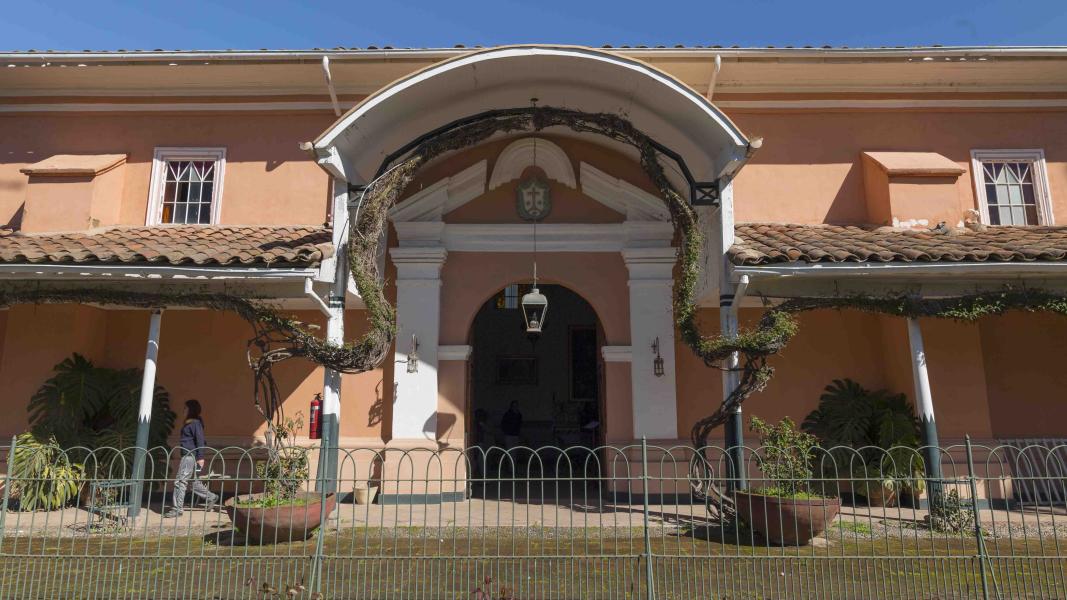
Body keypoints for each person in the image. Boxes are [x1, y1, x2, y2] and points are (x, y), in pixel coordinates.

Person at [164, 399, 218, 518]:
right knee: (193, 483)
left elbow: (200, 440)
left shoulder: (195, 423)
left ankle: (177, 509)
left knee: (180, 481)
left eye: (185, 408)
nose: (183, 410)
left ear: (191, 409)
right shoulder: (190, 423)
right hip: (189, 455)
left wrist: (200, 457)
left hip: (190, 456)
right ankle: (212, 497)